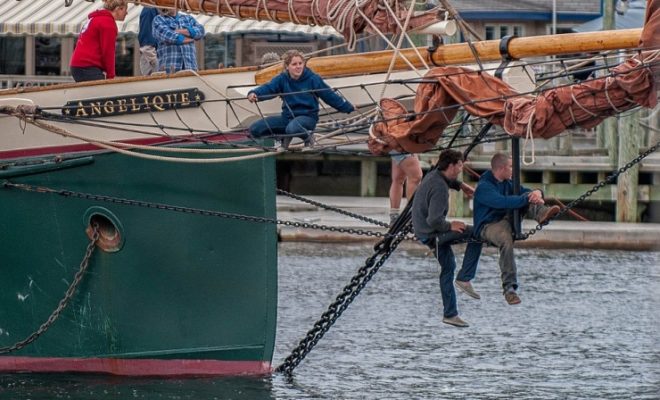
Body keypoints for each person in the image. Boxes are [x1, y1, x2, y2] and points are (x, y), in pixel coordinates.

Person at [473, 152, 560, 305]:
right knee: (506, 240)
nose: (513, 170)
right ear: (501, 168)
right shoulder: (484, 187)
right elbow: (502, 202)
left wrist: (537, 193)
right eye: (511, 166)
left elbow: (523, 191)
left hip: (507, 219)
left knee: (528, 198)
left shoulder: (508, 183)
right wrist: (525, 197)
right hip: (489, 225)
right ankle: (509, 287)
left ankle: (542, 213)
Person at [412, 149, 482, 328]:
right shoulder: (440, 188)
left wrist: (461, 186)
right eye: (459, 165)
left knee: (448, 266)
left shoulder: (435, 174)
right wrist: (450, 225)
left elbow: (446, 179)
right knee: (478, 233)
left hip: (423, 231)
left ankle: (450, 314)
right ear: (450, 166)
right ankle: (465, 278)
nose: (461, 168)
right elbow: (434, 220)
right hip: (433, 233)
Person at [247, 49, 355, 149]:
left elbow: (330, 96)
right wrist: (254, 93)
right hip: (288, 118)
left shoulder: (313, 79)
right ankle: (281, 137)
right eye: (294, 64)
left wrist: (348, 107)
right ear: (287, 66)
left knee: (292, 129)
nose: (298, 67)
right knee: (255, 129)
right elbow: (269, 88)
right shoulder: (282, 79)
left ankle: (308, 137)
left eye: (300, 63)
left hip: (307, 118)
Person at [69, 0, 129, 82]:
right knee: (101, 93)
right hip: (88, 66)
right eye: (126, 9)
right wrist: (111, 76)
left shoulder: (95, 18)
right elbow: (108, 51)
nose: (127, 13)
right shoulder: (108, 23)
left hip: (78, 65)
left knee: (89, 94)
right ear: (119, 9)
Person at [152, 8, 205, 73]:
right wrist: (190, 34)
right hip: (169, 70)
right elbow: (168, 35)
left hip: (191, 68)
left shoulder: (188, 18)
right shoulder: (158, 19)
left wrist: (177, 32)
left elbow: (201, 31)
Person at [388, 152, 422, 225]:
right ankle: (412, 215)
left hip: (399, 144)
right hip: (402, 145)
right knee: (416, 177)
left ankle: (394, 215)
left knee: (398, 178)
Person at [138, 6, 159, 76]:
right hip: (151, 60)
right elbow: (146, 45)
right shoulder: (149, 10)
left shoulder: (153, 10)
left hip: (152, 57)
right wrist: (156, 63)